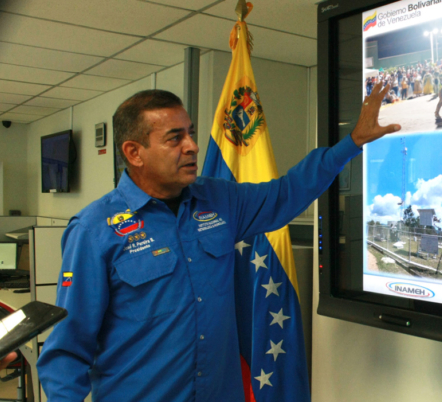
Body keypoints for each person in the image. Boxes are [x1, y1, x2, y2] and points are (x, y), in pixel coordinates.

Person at [36, 83, 400, 401]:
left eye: (191, 133)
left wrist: (351, 144)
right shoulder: (93, 230)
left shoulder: (220, 199)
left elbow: (286, 193)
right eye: (175, 138)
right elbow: (67, 348)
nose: (192, 146)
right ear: (134, 152)